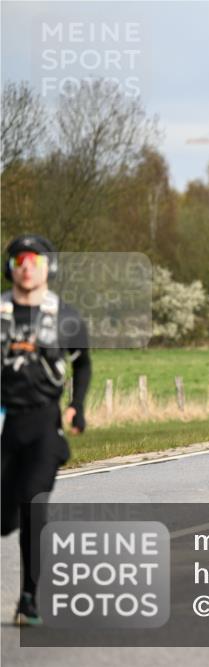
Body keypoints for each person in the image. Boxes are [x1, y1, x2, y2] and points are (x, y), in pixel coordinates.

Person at [2, 235, 91, 626]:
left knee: (33, 506)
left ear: (48, 267)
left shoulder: (65, 317)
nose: (27, 267)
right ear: (10, 267)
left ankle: (28, 598)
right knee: (5, 518)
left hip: (43, 426)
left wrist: (77, 406)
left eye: (34, 261)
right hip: (5, 425)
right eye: (19, 260)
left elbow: (82, 363)